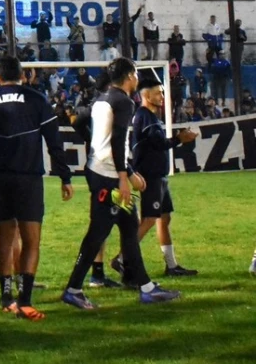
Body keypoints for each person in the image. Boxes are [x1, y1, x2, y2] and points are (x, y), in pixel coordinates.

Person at [61, 58, 181, 310]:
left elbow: (80, 122)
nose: (137, 79)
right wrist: (124, 177)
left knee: (129, 229)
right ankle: (73, 288)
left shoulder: (102, 98)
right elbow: (117, 141)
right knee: (98, 232)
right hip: (109, 176)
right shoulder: (125, 102)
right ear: (128, 76)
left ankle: (146, 287)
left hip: (101, 170)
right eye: (135, 74)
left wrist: (122, 167)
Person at [0, 55, 74, 320]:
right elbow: (54, 141)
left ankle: (7, 299)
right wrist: (64, 177)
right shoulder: (36, 99)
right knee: (31, 240)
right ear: (23, 75)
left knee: (5, 238)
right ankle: (25, 301)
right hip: (28, 178)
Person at [111, 78, 199, 278]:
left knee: (163, 219)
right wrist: (179, 138)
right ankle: (122, 258)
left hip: (158, 175)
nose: (162, 96)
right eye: (158, 92)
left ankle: (171, 265)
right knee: (150, 218)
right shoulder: (144, 116)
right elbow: (158, 142)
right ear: (146, 95)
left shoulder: (150, 116)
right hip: (150, 175)